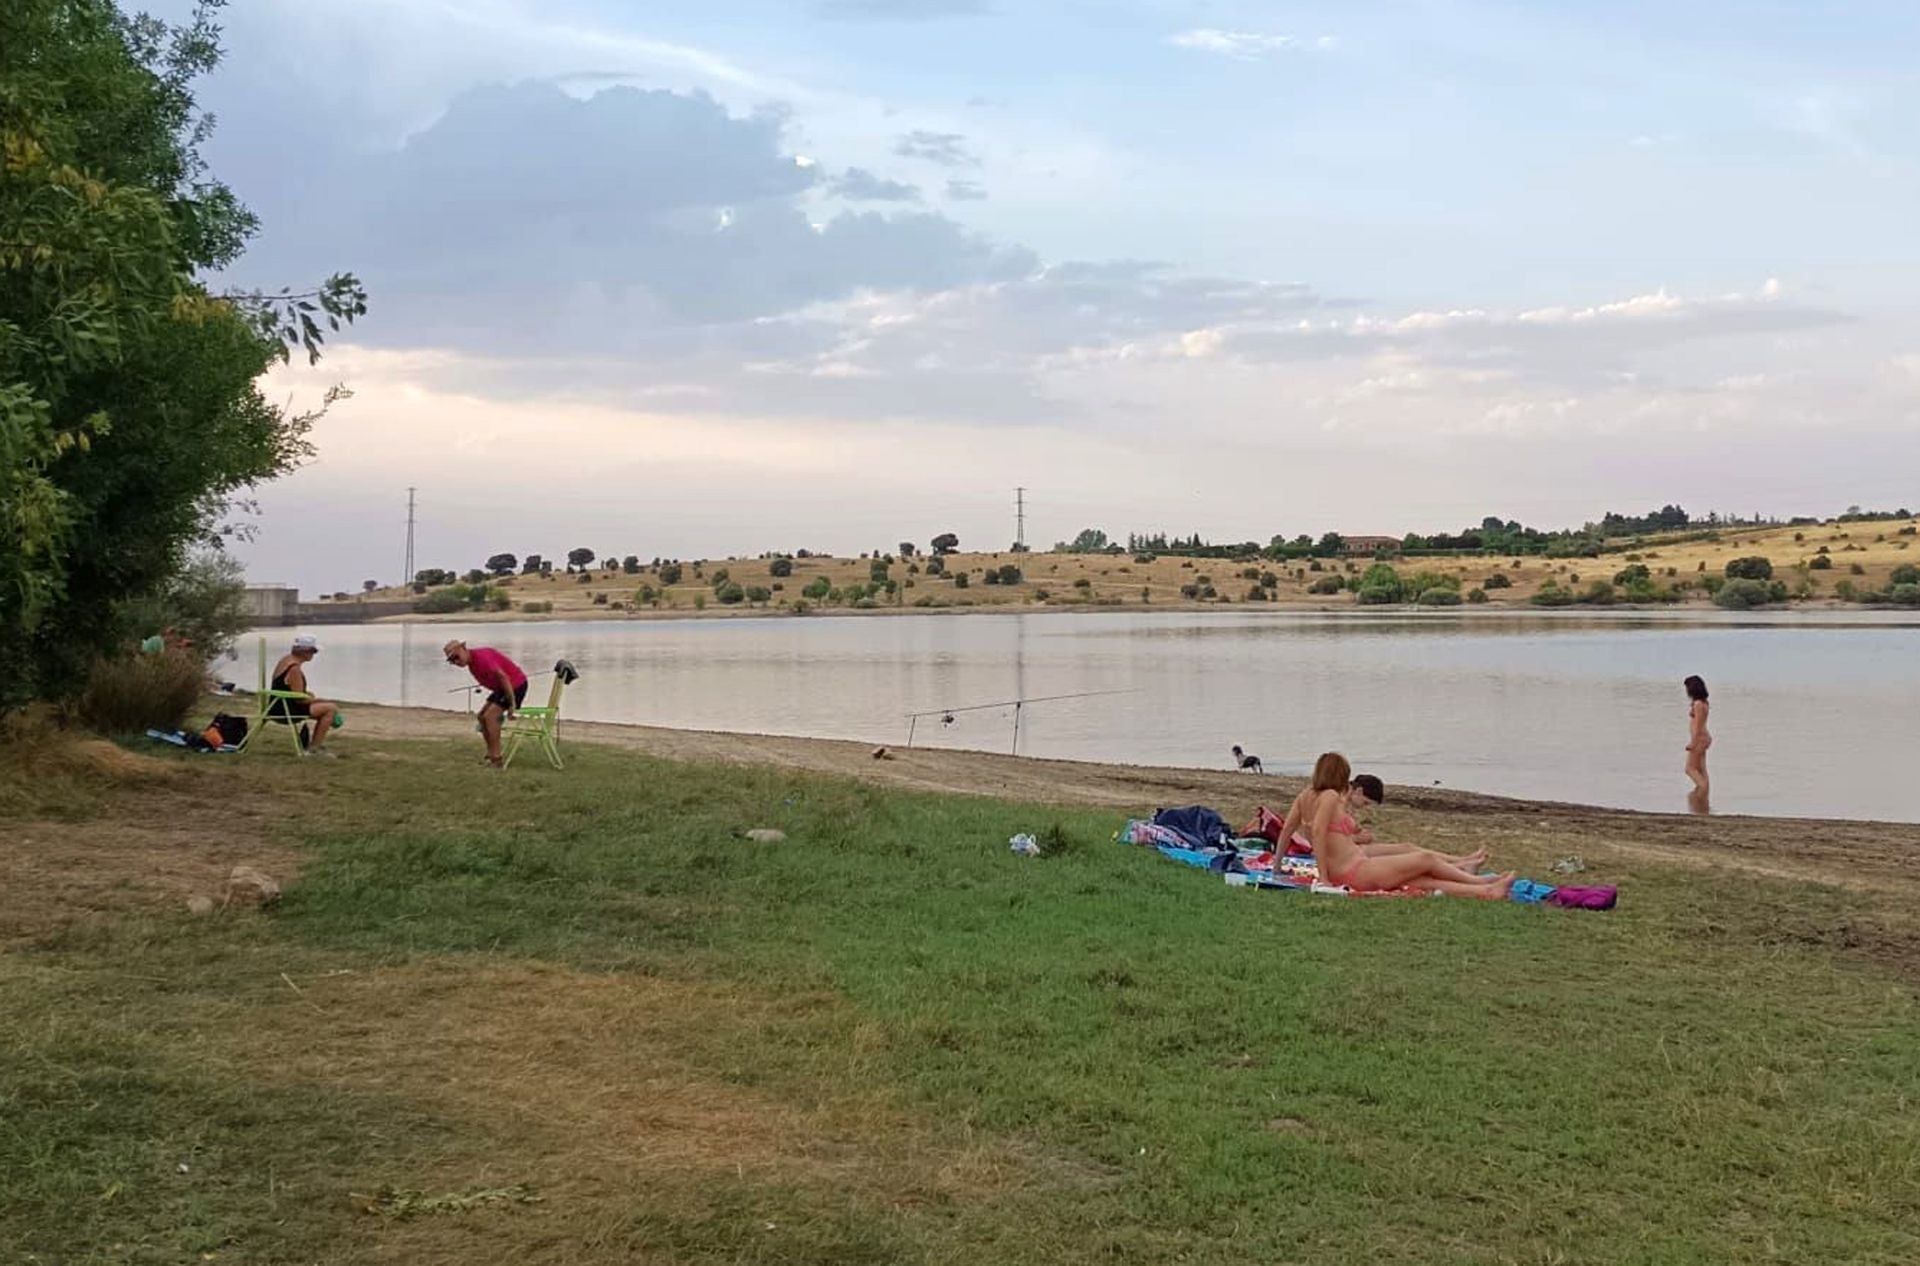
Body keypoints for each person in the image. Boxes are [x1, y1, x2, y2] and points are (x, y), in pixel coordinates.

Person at [1299, 753, 1511, 897]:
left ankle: (1487, 890)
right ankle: (1480, 882)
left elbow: (1295, 830)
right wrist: (1324, 879)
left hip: (1355, 864)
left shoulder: (1310, 796)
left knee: (1422, 880)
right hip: (1354, 870)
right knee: (1423, 859)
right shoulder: (1328, 797)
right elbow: (1318, 832)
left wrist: (1279, 865)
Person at [1275, 769, 1488, 869]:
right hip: (1340, 856)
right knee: (1407, 850)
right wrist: (1359, 839)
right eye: (1366, 803)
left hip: (1344, 851)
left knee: (1407, 848)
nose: (1365, 809)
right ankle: (1460, 863)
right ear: (1357, 791)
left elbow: (1295, 829)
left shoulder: (1334, 798)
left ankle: (1459, 861)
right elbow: (1316, 835)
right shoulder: (1334, 800)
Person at [445, 639, 528, 768]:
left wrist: (512, 704)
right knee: (481, 716)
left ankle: (497, 758)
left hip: (515, 685)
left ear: (463, 648)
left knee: (491, 717)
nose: (456, 662)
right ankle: (490, 753)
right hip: (501, 688)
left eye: (456, 657)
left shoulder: (482, 658)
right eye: (452, 661)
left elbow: (503, 677)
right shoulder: (472, 663)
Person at [269, 635, 340, 757]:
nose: (314, 654)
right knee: (330, 708)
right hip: (285, 710)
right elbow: (300, 699)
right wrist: (317, 700)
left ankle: (314, 744)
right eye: (313, 651)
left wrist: (309, 696)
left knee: (326, 708)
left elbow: (292, 690)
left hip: (277, 705)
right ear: (304, 652)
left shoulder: (286, 660)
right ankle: (314, 749)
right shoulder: (294, 669)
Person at [1683, 675, 1711, 797]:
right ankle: (1704, 795)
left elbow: (1698, 726)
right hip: (1703, 738)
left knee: (1690, 769)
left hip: (1700, 738)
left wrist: (1693, 743)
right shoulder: (1702, 703)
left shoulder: (1699, 704)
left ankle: (1701, 791)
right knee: (1701, 769)